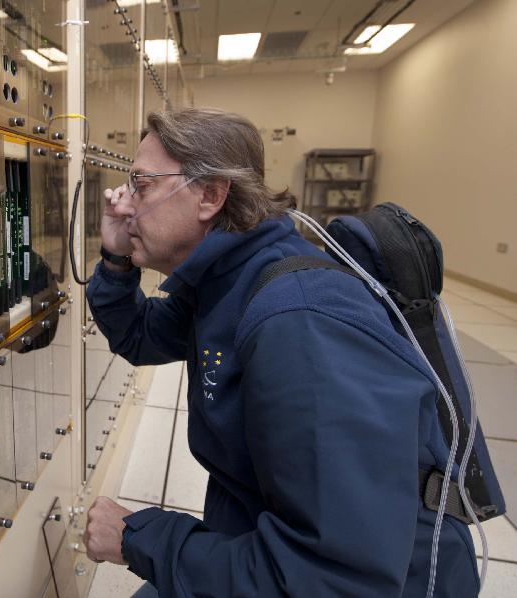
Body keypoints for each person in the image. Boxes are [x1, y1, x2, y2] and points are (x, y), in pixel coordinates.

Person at [82, 108, 479, 597]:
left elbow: (333, 579)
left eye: (140, 184)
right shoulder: (228, 280)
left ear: (209, 195)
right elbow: (140, 336)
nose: (122, 203)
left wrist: (140, 539)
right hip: (267, 539)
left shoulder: (298, 324)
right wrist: (117, 259)